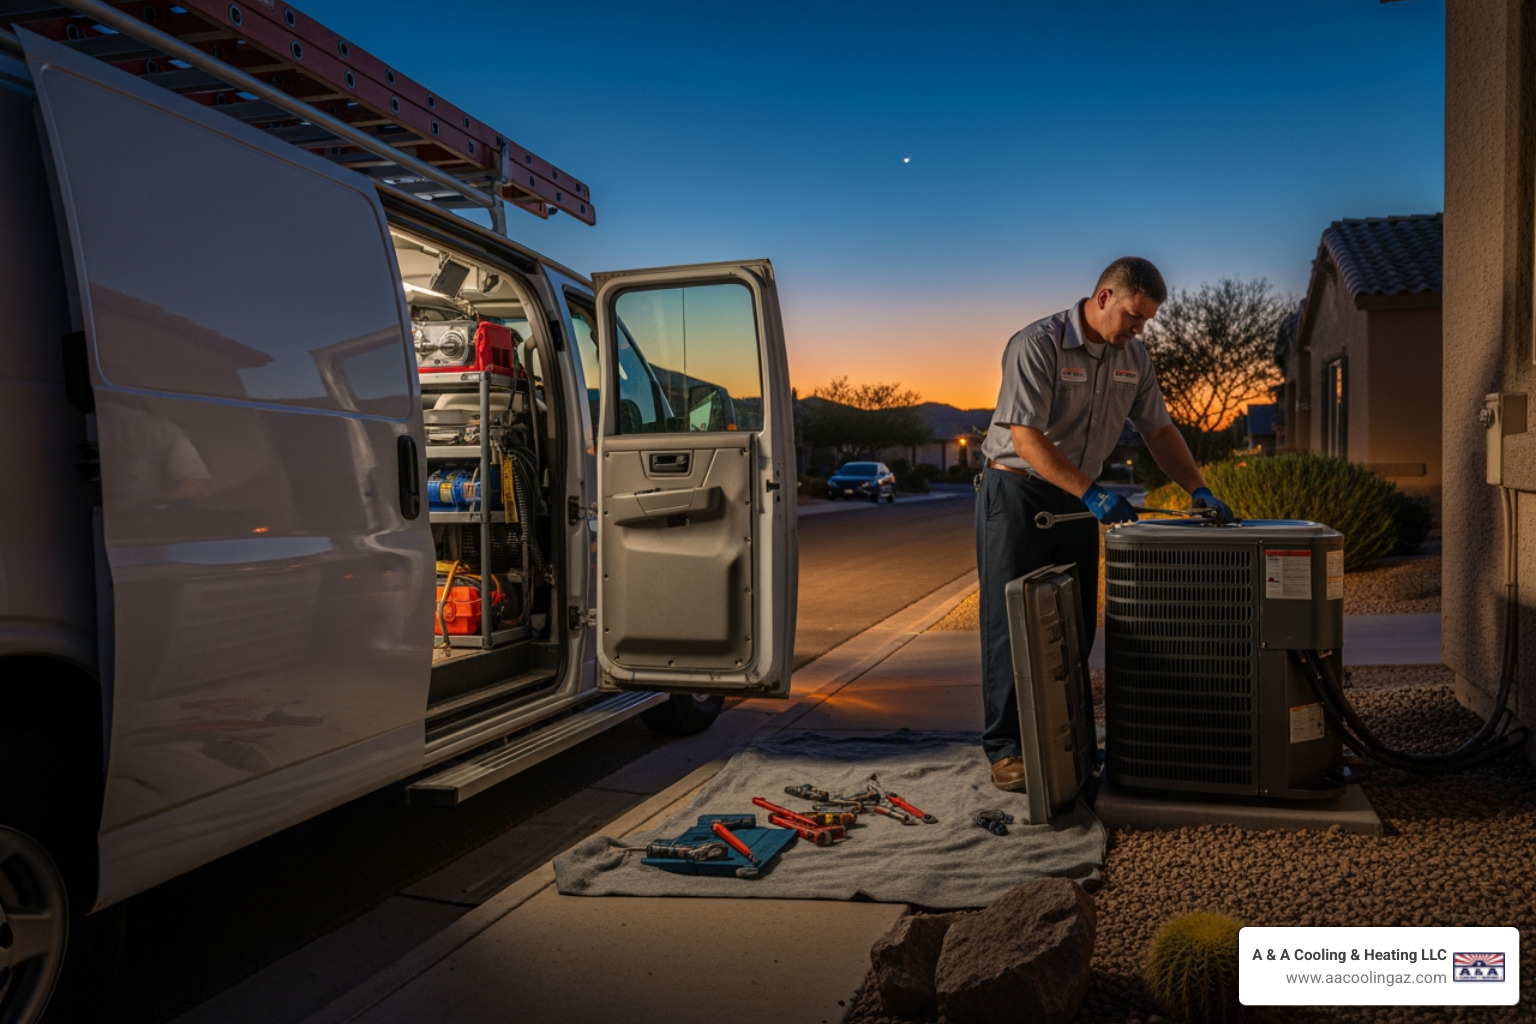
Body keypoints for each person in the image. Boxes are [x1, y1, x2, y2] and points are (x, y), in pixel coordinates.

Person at [975, 256, 1233, 791]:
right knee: (1010, 625)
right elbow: (1025, 438)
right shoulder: (1038, 344)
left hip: (1076, 497)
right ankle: (1006, 749)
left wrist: (1199, 488)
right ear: (1103, 299)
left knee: (1073, 626)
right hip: (1017, 493)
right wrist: (1092, 492)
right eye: (1134, 316)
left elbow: (1159, 430)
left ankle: (1066, 739)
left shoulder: (1133, 357)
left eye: (1147, 321)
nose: (1140, 329)